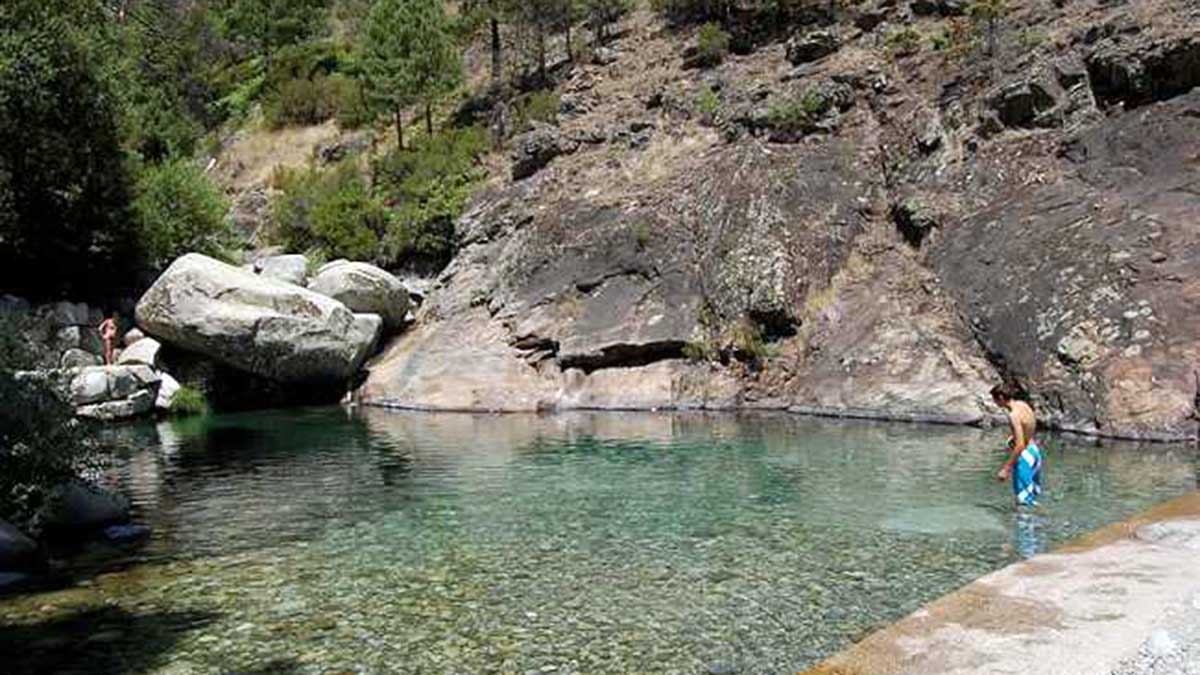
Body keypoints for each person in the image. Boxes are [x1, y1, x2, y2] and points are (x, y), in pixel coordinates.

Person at [992, 384, 1043, 507]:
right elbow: (1030, 424)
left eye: (995, 399)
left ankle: (1026, 525)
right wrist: (1015, 437)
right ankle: (1037, 524)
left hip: (1025, 455)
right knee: (1030, 496)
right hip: (1034, 452)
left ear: (1001, 397)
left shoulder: (1013, 415)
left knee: (1023, 500)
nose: (994, 403)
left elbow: (1019, 445)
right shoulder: (1023, 405)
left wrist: (1006, 468)